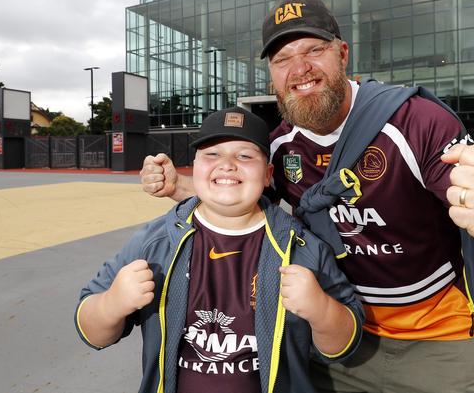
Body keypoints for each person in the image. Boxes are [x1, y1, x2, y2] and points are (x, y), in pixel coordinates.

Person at [140, 0, 474, 393]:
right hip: (334, 337)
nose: (299, 68)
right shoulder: (280, 148)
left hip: (440, 341)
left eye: (313, 50)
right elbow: (247, 200)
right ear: (271, 75)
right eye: (282, 59)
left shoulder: (414, 122)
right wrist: (181, 186)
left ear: (342, 54)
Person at [75, 106, 364, 393]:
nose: (226, 164)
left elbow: (343, 345)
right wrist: (113, 303)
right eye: (211, 154)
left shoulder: (301, 247)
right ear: (195, 167)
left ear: (268, 174)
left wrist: (322, 310)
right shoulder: (154, 242)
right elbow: (93, 333)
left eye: (245, 156)